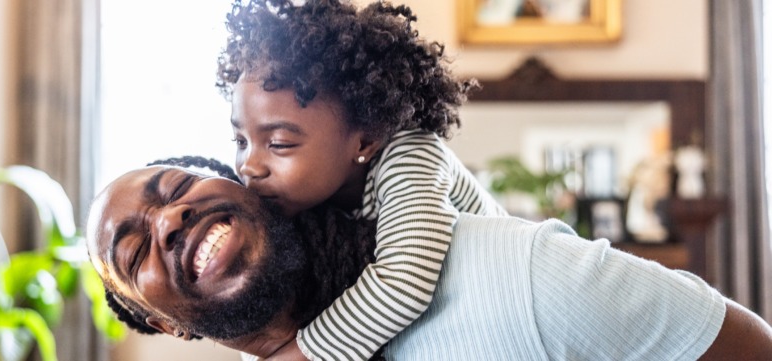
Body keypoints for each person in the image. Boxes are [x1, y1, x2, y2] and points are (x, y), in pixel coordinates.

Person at [86, 158, 772, 360]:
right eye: (136, 247)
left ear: (243, 182)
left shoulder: (513, 276)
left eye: (176, 188)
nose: (169, 218)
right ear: (164, 323)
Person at [216, 0, 507, 359]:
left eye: (279, 143)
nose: (249, 166)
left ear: (365, 141)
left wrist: (300, 354)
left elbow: (405, 280)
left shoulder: (410, 153)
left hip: (511, 301)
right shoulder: (298, 199)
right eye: (241, 141)